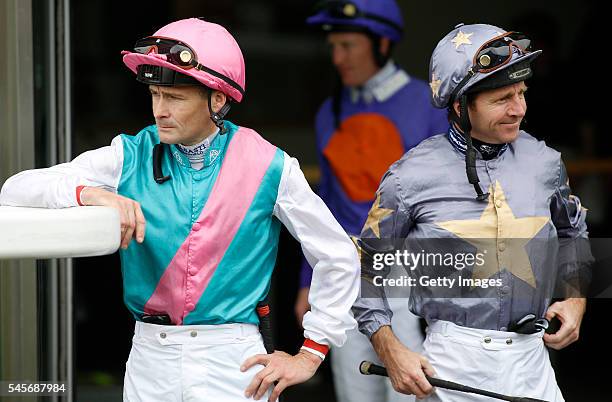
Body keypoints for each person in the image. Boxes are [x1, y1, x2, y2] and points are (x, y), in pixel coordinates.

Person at [0, 18, 360, 402]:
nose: (159, 110)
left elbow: (338, 255)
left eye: (174, 97)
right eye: (155, 94)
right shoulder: (128, 152)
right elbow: (15, 188)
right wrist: (91, 193)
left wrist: (310, 353)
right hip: (149, 355)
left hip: (234, 359)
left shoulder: (271, 165)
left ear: (217, 99)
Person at [352, 23, 591, 401]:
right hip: (451, 363)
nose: (519, 109)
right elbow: (364, 266)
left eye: (521, 93)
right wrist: (390, 348)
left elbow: (574, 232)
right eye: (502, 99)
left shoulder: (545, 162)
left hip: (534, 363)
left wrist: (576, 298)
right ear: (461, 105)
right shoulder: (408, 177)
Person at [296, 1, 448, 402]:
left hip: (406, 268)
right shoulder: (330, 111)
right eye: (333, 47)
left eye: (347, 45)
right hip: (346, 268)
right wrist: (308, 281)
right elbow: (322, 204)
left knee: (410, 388)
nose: (337, 57)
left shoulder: (429, 104)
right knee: (354, 389)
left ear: (381, 43)